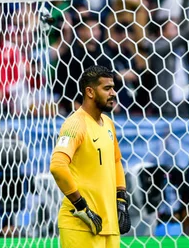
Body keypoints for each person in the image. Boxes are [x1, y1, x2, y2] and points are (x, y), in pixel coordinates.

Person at [50, 65, 130, 248]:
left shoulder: (108, 123)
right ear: (90, 92)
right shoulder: (75, 124)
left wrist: (121, 199)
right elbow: (57, 166)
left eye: (113, 88)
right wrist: (81, 206)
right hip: (81, 225)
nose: (113, 93)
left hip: (108, 224)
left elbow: (116, 161)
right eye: (107, 88)